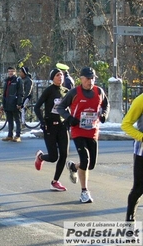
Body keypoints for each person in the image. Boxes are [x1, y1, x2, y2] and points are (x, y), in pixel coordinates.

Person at [57, 67, 109, 203]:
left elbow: (106, 105)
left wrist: (104, 115)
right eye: (87, 79)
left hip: (93, 131)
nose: (90, 81)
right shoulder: (74, 92)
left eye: (92, 78)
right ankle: (84, 192)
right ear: (81, 79)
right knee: (85, 161)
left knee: (91, 164)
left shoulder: (99, 91)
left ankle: (73, 167)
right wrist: (69, 118)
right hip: (78, 130)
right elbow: (60, 107)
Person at [33, 68, 69, 191]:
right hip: (50, 126)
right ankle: (41, 157)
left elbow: (69, 108)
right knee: (53, 157)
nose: (60, 77)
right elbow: (37, 107)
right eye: (57, 75)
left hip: (62, 126)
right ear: (53, 78)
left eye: (62, 75)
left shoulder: (66, 91)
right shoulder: (49, 91)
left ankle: (55, 181)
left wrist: (69, 120)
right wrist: (42, 122)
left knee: (64, 154)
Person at [121, 94, 143, 222]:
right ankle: (130, 221)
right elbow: (126, 124)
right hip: (142, 152)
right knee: (139, 188)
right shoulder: (141, 100)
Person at [1, 66, 23, 142]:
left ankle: (18, 135)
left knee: (17, 119)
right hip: (7, 103)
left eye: (12, 71)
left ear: (15, 72)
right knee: (9, 120)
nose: (10, 72)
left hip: (14, 103)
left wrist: (19, 103)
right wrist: (3, 103)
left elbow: (20, 93)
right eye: (9, 71)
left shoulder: (18, 80)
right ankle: (10, 135)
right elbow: (4, 93)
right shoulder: (6, 81)